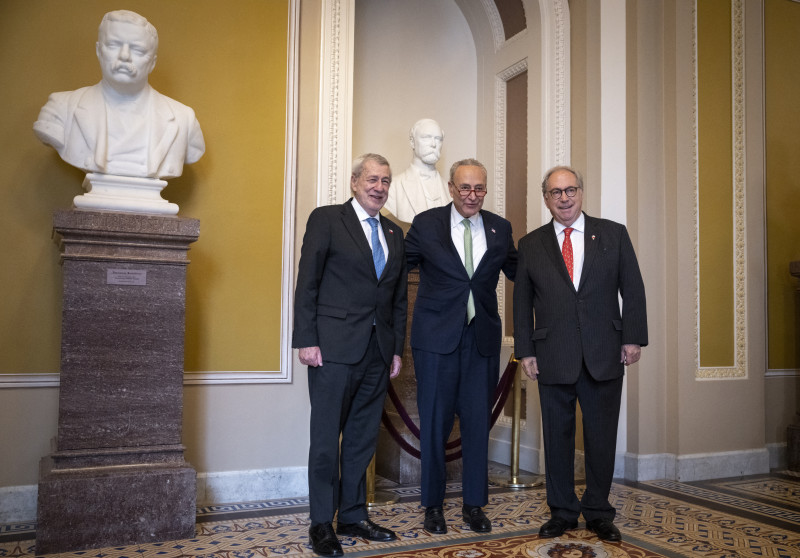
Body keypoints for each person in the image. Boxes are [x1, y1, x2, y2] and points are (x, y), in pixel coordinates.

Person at [513, 166, 648, 542]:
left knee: (601, 437)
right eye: (555, 193)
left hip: (604, 351)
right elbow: (522, 302)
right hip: (552, 353)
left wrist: (632, 338)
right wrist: (525, 350)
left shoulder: (613, 234)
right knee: (556, 437)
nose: (564, 198)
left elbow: (632, 288)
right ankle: (562, 512)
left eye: (570, 190)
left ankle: (599, 512)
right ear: (546, 199)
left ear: (581, 193)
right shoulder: (531, 244)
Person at [292, 154, 407, 557]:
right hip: (332, 349)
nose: (380, 187)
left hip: (377, 352)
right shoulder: (326, 219)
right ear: (355, 182)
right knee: (326, 440)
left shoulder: (394, 233)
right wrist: (306, 340)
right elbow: (307, 283)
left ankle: (354, 515)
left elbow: (397, 299)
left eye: (386, 181)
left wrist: (395, 350)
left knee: (361, 439)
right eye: (373, 179)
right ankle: (322, 522)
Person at [405, 158, 517, 535]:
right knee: (434, 424)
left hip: (481, 340)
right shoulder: (426, 224)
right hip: (435, 340)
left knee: (475, 425)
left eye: (479, 188)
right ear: (451, 188)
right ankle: (433, 506)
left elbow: (524, 271)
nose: (472, 195)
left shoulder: (500, 228)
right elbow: (394, 270)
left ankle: (474, 505)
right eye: (465, 187)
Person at [33, 10, 204, 179]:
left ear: (152, 62)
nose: (124, 56)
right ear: (99, 51)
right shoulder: (61, 108)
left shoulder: (184, 119)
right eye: (113, 45)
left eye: (137, 50)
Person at [383, 118, 450, 223]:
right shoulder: (392, 188)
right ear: (412, 141)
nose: (433, 144)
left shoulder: (451, 190)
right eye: (426, 137)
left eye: (438, 139)